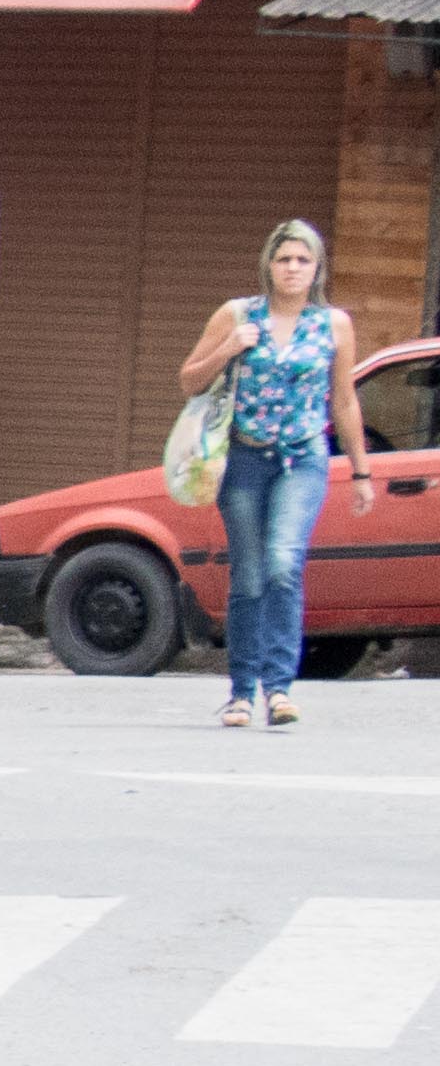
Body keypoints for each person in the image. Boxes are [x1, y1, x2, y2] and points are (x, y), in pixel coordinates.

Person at [174, 217, 376, 725]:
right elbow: (188, 381)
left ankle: (279, 689)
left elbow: (344, 402)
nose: (292, 268)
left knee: (283, 564)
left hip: (303, 460)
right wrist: (229, 347)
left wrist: (360, 471)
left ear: (316, 268)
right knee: (248, 575)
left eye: (302, 260)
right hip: (245, 457)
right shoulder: (237, 314)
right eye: (283, 258)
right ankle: (242, 692)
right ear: (268, 264)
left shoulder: (334, 324)